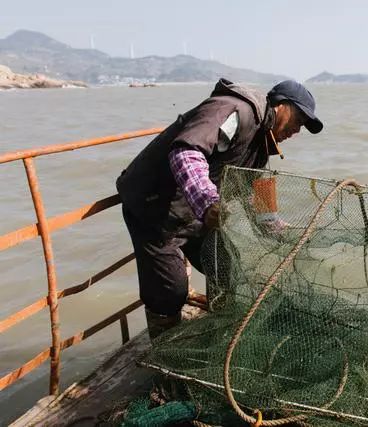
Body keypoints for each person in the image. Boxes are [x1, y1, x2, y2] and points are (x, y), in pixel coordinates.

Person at [116, 78, 323, 338]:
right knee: (170, 290)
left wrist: (281, 230)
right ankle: (164, 347)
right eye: (299, 120)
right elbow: (186, 152)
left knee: (225, 265)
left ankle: (220, 331)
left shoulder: (262, 145)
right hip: (154, 209)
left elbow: (255, 192)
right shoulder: (235, 110)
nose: (297, 130)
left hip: (192, 214)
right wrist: (207, 202)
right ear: (281, 106)